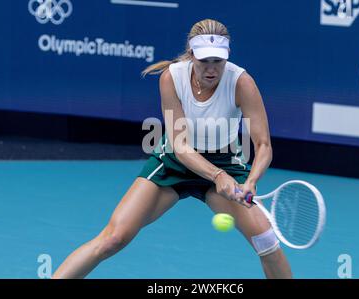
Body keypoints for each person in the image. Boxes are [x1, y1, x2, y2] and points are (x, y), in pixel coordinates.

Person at [52, 19, 292, 279]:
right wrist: (216, 176)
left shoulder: (242, 83)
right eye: (204, 62)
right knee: (113, 238)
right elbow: (179, 144)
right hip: (174, 162)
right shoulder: (172, 77)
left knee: (267, 243)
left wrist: (252, 180)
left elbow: (263, 145)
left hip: (225, 162)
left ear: (227, 58)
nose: (211, 70)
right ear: (191, 55)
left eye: (218, 62)